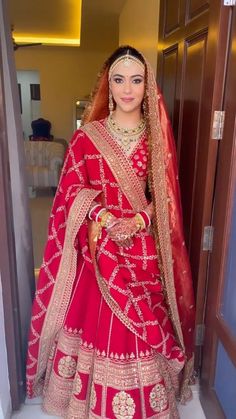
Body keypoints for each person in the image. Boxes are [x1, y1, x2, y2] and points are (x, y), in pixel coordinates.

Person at [26, 45, 195, 418]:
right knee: (97, 321)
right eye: (119, 80)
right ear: (108, 84)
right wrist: (101, 215)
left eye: (136, 80)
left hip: (141, 247)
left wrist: (138, 221)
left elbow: (162, 196)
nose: (127, 89)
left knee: (143, 321)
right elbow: (70, 191)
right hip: (99, 247)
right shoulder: (88, 136)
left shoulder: (156, 138)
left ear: (147, 86)